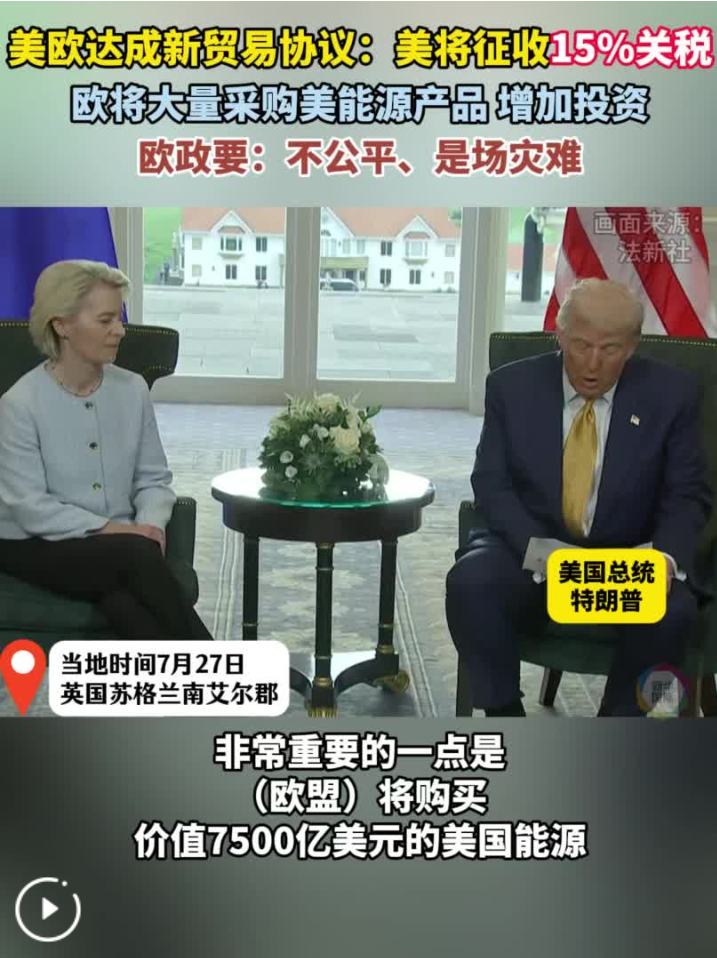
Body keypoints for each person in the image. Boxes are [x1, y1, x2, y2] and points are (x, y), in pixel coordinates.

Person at [445, 278, 712, 717]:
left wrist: (663, 558)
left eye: (609, 349)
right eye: (581, 345)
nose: (592, 363)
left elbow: (687, 494)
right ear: (561, 333)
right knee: (471, 583)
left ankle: (615, 734)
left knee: (672, 612)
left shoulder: (672, 395)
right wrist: (542, 552)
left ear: (632, 347)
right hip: (535, 553)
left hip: (623, 563)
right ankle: (505, 716)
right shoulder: (512, 387)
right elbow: (491, 484)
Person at [0, 259, 214, 641]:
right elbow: (31, 508)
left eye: (119, 318)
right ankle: (228, 667)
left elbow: (153, 479)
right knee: (135, 557)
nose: (120, 331)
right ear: (61, 325)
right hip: (33, 543)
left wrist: (151, 524)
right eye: (105, 320)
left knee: (123, 603)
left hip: (118, 548)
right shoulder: (20, 404)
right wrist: (119, 531)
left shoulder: (132, 389)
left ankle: (198, 678)